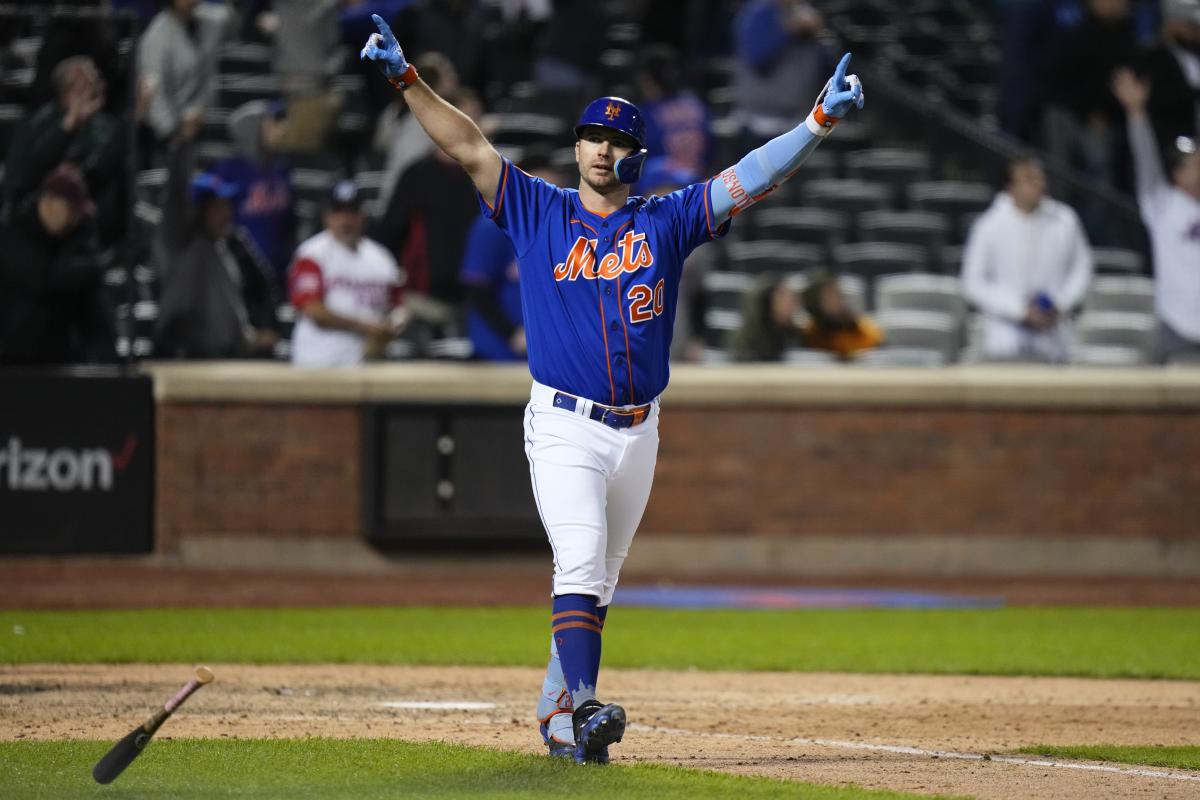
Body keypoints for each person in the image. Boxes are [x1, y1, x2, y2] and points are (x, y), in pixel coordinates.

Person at [361, 15, 863, 764]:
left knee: (599, 582)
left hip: (640, 429)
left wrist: (816, 122)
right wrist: (407, 78)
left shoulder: (665, 221)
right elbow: (465, 143)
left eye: (618, 139)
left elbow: (749, 177)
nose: (602, 147)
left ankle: (557, 715)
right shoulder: (538, 208)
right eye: (592, 135)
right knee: (582, 560)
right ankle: (589, 711)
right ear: (577, 147)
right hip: (564, 422)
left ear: (636, 156)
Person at [154, 121, 280, 359]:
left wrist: (250, 338)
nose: (227, 213)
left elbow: (228, 314)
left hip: (219, 359)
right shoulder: (181, 242)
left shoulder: (225, 249)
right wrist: (183, 145)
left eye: (227, 206)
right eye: (217, 207)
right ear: (200, 210)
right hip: (184, 358)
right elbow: (175, 198)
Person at [961, 157, 1094, 363]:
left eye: (1039, 178)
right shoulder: (989, 225)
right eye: (1028, 179)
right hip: (1004, 337)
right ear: (1011, 188)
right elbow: (973, 283)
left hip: (1054, 332)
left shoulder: (1065, 220)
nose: (1037, 185)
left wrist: (1059, 303)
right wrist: (1019, 310)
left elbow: (1082, 270)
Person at [1112, 68, 1200, 362]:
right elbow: (1145, 158)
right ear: (1177, 173)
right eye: (1194, 164)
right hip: (1177, 327)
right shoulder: (1162, 204)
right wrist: (1136, 114)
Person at [0, 164, 114, 365]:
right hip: (11, 362)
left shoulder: (76, 241)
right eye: (70, 209)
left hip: (60, 362)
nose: (74, 219)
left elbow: (93, 315)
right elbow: (42, 280)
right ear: (48, 202)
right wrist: (94, 269)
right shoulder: (14, 233)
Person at [459, 151, 564, 362]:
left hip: (549, 355)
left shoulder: (562, 230)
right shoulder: (492, 226)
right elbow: (478, 290)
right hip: (498, 351)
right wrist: (511, 333)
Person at [288, 179, 407, 367]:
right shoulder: (312, 254)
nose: (345, 219)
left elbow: (399, 306)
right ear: (327, 216)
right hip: (317, 366)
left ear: (363, 215)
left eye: (352, 211)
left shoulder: (381, 258)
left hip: (366, 369)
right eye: (338, 211)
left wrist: (394, 325)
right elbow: (312, 309)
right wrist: (365, 326)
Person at [214, 99, 297, 285]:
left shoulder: (282, 169)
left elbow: (290, 223)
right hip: (240, 273)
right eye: (272, 124)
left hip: (279, 271)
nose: (281, 130)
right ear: (253, 129)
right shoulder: (228, 171)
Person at [137, 0, 232, 155]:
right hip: (174, 138)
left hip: (209, 120)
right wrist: (176, 134)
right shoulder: (155, 39)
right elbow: (155, 98)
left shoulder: (210, 21)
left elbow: (229, 16)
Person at [730, 272, 882, 362]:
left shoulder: (799, 335)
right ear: (767, 302)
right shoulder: (747, 342)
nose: (792, 304)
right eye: (785, 298)